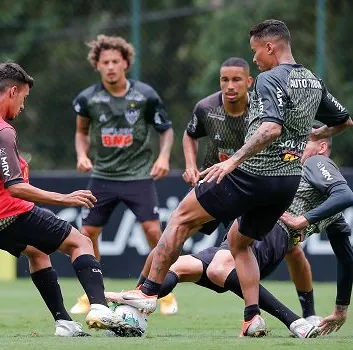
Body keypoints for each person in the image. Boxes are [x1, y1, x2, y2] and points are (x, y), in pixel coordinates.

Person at [108, 19, 352, 337]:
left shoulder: (269, 78)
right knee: (240, 243)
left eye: (255, 52)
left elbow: (271, 128)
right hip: (287, 182)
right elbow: (344, 121)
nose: (255, 59)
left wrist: (233, 161)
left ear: (270, 47)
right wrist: (311, 132)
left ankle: (148, 292)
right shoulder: (312, 81)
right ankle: (252, 317)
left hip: (253, 175)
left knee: (181, 219)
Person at [0, 62, 139, 337]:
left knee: (37, 252)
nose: (24, 106)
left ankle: (64, 322)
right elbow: (15, 187)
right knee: (81, 242)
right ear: (12, 91)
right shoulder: (0, 130)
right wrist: (65, 198)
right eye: (24, 98)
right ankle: (99, 307)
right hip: (6, 215)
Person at [124, 136, 353, 338]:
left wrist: (303, 220)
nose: (298, 146)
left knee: (218, 268)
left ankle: (294, 321)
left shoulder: (317, 162)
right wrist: (341, 311)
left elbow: (344, 193)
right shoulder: (320, 201)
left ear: (322, 147)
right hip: (245, 237)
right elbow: (346, 260)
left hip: (272, 232)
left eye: (306, 141)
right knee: (177, 267)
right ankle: (130, 313)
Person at [183, 56, 317, 320]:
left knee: (290, 249)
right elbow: (190, 134)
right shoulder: (207, 107)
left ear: (249, 82)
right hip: (216, 185)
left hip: (250, 187)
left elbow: (295, 133)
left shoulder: (265, 110)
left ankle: (304, 314)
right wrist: (190, 164)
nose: (230, 86)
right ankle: (145, 294)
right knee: (176, 232)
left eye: (236, 80)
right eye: (224, 80)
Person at [71, 34, 177, 315]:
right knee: (87, 233)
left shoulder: (145, 96)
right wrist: (82, 155)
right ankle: (93, 293)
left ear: (126, 63)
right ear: (97, 65)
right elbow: (81, 131)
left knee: (156, 233)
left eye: (115, 61)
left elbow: (166, 130)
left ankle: (162, 291)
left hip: (138, 175)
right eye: (104, 62)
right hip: (103, 176)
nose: (110, 66)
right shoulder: (87, 98)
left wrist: (164, 156)